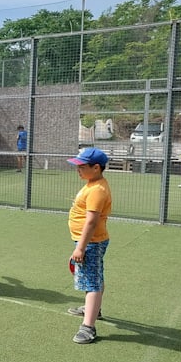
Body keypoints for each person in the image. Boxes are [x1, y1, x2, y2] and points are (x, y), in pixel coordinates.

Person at [65, 147, 112, 344]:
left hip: (91, 243)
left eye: (82, 166)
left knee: (91, 282)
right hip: (89, 242)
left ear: (96, 168)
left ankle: (88, 327)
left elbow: (91, 222)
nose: (78, 169)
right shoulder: (92, 183)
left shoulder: (97, 190)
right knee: (93, 277)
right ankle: (92, 308)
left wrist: (80, 248)